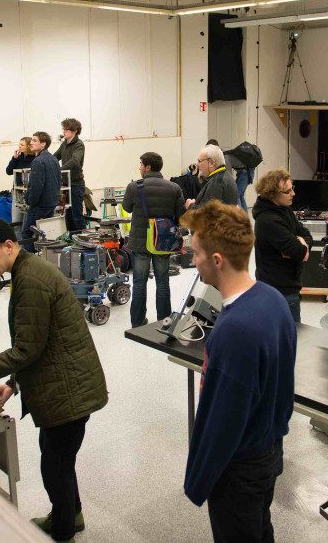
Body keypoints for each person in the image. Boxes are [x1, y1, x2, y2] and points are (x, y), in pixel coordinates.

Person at [0, 215, 108, 542]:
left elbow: (26, 349)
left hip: (69, 390)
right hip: (65, 382)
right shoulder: (27, 270)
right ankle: (71, 515)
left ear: (8, 246)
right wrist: (12, 384)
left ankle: (63, 531)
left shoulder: (31, 279)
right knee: (58, 458)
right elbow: (38, 341)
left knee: (55, 465)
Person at [181, 200, 296, 542]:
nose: (192, 260)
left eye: (196, 253)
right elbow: (283, 389)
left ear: (217, 260)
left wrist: (199, 479)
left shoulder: (234, 331)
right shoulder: (273, 300)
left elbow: (222, 421)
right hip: (267, 452)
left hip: (238, 470)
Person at [121, 152, 185, 328]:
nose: (139, 168)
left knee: (139, 283)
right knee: (163, 282)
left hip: (140, 243)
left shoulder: (134, 187)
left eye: (141, 165)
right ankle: (164, 322)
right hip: (162, 242)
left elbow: (126, 207)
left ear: (148, 167)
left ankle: (137, 322)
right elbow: (180, 216)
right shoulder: (174, 188)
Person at [252, 169, 312, 323]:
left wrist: (301, 241)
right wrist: (301, 244)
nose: (293, 194)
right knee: (289, 333)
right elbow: (302, 253)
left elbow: (306, 234)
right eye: (288, 191)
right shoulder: (269, 221)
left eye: (293, 188)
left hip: (288, 286)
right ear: (272, 194)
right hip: (279, 291)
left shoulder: (284, 210)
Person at [22, 131, 60, 251]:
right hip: (51, 203)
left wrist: (30, 201)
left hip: (39, 205)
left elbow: (36, 186)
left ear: (43, 144)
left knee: (27, 233)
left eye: (34, 140)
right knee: (46, 234)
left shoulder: (38, 161)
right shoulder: (54, 159)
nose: (31, 143)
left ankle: (31, 259)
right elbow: (58, 181)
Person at [53, 118, 86, 232]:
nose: (64, 132)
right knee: (68, 217)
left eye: (66, 130)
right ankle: (71, 239)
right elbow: (55, 157)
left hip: (76, 185)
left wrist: (60, 170)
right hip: (66, 185)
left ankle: (82, 239)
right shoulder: (64, 144)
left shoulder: (79, 144)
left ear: (75, 131)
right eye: (64, 129)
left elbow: (75, 160)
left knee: (77, 216)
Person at [186, 144, 238, 209]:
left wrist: (190, 206)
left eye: (200, 161)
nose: (197, 164)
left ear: (211, 163)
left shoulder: (217, 182)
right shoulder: (225, 176)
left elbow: (208, 212)